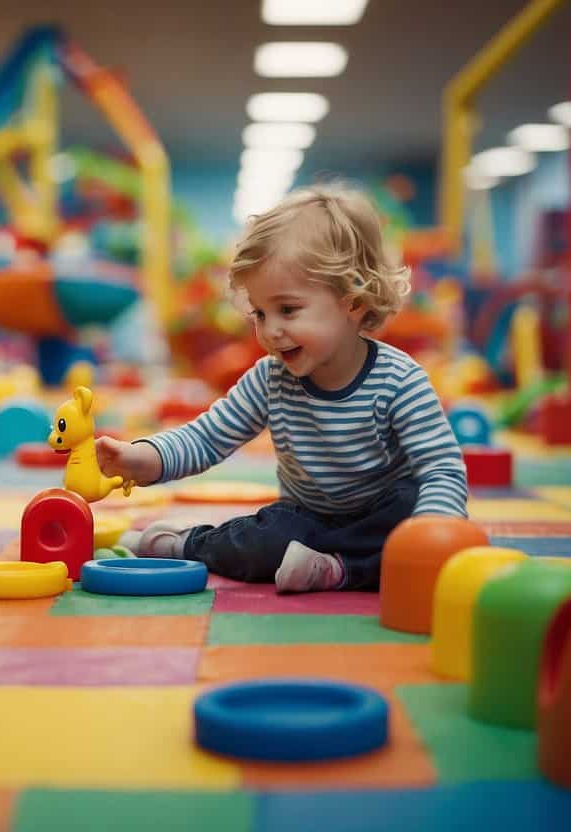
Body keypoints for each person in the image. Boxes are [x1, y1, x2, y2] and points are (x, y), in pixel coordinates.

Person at [100, 185, 468, 593]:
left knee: (406, 509)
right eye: (259, 312)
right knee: (266, 540)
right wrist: (141, 457)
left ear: (353, 301)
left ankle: (335, 569)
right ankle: (182, 543)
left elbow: (441, 468)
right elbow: (206, 438)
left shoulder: (399, 380)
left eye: (288, 310)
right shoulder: (270, 379)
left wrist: (434, 530)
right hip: (304, 521)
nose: (270, 330)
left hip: (381, 518)